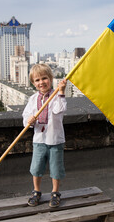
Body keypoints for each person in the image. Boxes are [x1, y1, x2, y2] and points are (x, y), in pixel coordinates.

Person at [22, 64, 67, 208]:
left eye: (44, 78)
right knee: (36, 168)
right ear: (33, 83)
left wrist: (61, 92)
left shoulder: (56, 96)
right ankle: (36, 191)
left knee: (55, 169)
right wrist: (29, 120)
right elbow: (26, 116)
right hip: (39, 140)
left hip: (55, 139)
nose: (41, 82)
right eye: (37, 80)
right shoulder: (33, 99)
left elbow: (60, 110)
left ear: (51, 79)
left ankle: (55, 192)